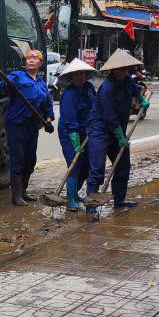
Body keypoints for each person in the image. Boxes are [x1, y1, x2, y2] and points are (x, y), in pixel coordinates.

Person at [86, 50, 149, 214]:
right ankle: (91, 205)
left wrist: (141, 98)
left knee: (122, 165)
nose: (122, 72)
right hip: (100, 128)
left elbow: (135, 88)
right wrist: (120, 137)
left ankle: (119, 199)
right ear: (113, 70)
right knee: (97, 168)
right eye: (119, 69)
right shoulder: (107, 88)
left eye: (125, 69)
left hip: (118, 128)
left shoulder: (127, 79)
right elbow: (109, 117)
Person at [0, 48, 54, 206]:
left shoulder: (42, 84)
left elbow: (48, 106)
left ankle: (24, 191)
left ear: (41, 63)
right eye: (28, 58)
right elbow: (2, 87)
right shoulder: (17, 76)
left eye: (34, 58)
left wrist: (48, 120)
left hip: (33, 126)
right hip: (16, 124)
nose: (30, 60)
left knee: (30, 159)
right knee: (18, 158)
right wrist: (9, 85)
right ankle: (15, 196)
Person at [56, 59, 97, 212]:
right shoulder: (69, 94)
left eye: (83, 74)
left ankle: (76, 192)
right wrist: (75, 143)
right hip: (69, 133)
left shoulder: (89, 88)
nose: (80, 77)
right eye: (76, 74)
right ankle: (71, 198)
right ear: (71, 77)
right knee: (74, 163)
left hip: (86, 132)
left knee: (86, 165)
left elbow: (96, 106)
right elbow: (69, 120)